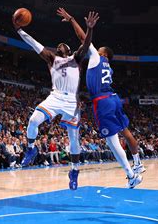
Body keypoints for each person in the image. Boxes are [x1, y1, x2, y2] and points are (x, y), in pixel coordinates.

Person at [57, 10, 142, 188]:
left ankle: (131, 174)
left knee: (111, 141)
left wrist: (73, 20)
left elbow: (83, 38)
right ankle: (137, 163)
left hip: (103, 101)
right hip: (114, 98)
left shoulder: (97, 57)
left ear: (103, 53)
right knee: (124, 131)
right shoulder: (108, 67)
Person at [13, 11, 95, 190]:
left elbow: (87, 43)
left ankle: (74, 171)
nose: (59, 46)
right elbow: (34, 44)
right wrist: (19, 31)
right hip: (55, 97)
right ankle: (31, 148)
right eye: (57, 46)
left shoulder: (76, 58)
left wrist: (88, 29)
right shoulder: (52, 58)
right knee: (34, 120)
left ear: (69, 50)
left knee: (74, 139)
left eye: (62, 45)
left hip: (72, 103)